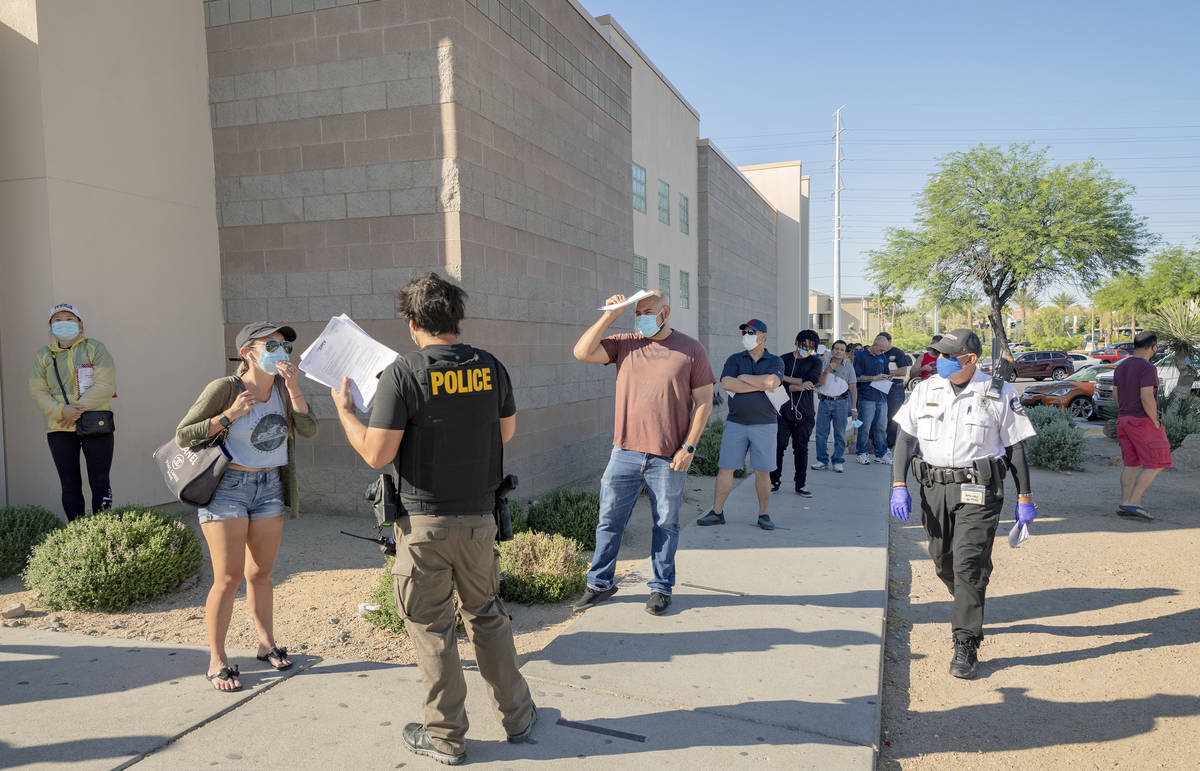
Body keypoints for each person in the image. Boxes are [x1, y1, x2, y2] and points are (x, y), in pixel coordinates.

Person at [332, 273, 535, 765]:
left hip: (424, 527)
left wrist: (346, 413)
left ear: (411, 322)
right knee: (488, 618)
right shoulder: (490, 366)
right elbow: (506, 432)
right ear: (456, 318)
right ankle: (519, 716)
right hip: (480, 521)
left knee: (432, 628)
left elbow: (377, 455)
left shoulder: (402, 374)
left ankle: (445, 738)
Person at [889, 328, 1038, 679]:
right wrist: (899, 484)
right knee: (943, 560)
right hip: (934, 488)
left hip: (979, 489)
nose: (938, 361)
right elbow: (905, 441)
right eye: (937, 355)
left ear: (970, 359)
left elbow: (1016, 447)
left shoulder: (998, 392)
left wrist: (1025, 496)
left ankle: (966, 640)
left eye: (947, 356)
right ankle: (968, 598)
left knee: (969, 562)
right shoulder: (926, 389)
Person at [175, 321, 317, 692]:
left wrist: (295, 387)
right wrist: (229, 415)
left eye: (284, 345)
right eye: (271, 345)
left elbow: (308, 430)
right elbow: (184, 434)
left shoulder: (284, 391)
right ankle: (217, 658)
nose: (281, 351)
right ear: (247, 353)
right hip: (228, 489)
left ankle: (266, 643)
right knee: (227, 577)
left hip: (269, 486)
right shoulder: (225, 388)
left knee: (261, 573)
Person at [572, 290, 714, 616]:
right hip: (624, 452)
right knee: (609, 520)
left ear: (665, 312)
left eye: (646, 312)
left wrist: (689, 447)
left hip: (668, 456)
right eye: (636, 313)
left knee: (666, 522)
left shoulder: (691, 349)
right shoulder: (625, 343)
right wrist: (609, 316)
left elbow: (704, 402)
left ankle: (661, 587)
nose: (641, 319)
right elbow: (581, 352)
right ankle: (600, 583)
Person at [29, 304, 116, 521]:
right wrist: (61, 411)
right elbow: (38, 391)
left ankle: (103, 533)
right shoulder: (43, 355)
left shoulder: (95, 348)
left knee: (100, 481)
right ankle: (78, 537)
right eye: (57, 320)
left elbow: (106, 385)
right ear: (50, 326)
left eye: (69, 318)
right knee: (69, 484)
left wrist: (74, 410)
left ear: (80, 323)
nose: (64, 323)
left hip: (96, 423)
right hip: (59, 427)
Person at [698, 319, 784, 530]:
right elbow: (727, 383)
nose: (746, 335)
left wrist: (744, 378)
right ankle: (717, 512)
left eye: (751, 332)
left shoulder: (775, 361)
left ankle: (763, 514)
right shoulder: (735, 359)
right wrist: (759, 383)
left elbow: (773, 383)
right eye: (744, 332)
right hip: (736, 423)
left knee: (762, 472)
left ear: (762, 336)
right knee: (725, 468)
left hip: (765, 424)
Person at [1112, 331, 1173, 520]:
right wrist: (1155, 420)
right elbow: (1146, 396)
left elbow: (1116, 393)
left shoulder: (1120, 367)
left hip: (1124, 419)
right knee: (1158, 461)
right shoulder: (1147, 368)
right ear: (1153, 346)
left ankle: (1125, 502)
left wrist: (1125, 410)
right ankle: (1133, 502)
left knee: (1131, 463)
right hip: (1142, 421)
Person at [770, 330, 821, 495]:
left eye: (811, 347)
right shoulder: (782, 359)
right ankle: (774, 481)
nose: (806, 349)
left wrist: (784, 378)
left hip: (804, 412)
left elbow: (811, 381)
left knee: (801, 448)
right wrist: (796, 385)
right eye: (804, 345)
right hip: (782, 410)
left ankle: (800, 484)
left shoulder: (815, 362)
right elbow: (775, 382)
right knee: (778, 446)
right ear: (797, 342)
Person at [811, 339, 858, 472]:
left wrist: (854, 408)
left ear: (845, 353)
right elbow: (818, 384)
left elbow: (853, 388)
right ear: (832, 351)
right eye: (836, 349)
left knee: (840, 433)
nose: (838, 351)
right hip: (825, 402)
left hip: (841, 403)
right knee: (821, 433)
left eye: (842, 350)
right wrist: (827, 369)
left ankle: (837, 461)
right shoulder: (824, 363)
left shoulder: (849, 367)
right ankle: (821, 460)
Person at [854, 333, 895, 464]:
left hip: (881, 396)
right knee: (864, 427)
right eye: (881, 349)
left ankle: (881, 454)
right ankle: (861, 452)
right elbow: (855, 378)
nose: (882, 352)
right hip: (866, 397)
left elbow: (886, 373)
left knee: (881, 427)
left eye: (884, 350)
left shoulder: (882, 357)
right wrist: (873, 378)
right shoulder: (860, 356)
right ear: (874, 344)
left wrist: (888, 377)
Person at [878, 331, 913, 450]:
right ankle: (878, 444)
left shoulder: (897, 353)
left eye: (884, 343)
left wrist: (886, 373)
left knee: (893, 417)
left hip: (895, 388)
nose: (881, 346)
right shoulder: (878, 352)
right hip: (879, 387)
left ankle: (890, 445)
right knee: (879, 417)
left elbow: (903, 371)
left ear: (890, 342)